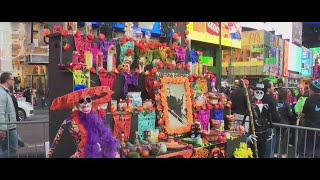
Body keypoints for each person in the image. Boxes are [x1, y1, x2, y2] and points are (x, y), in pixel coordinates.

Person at [261, 79, 282, 158]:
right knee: (268, 151)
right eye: (272, 86)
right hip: (269, 128)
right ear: (268, 88)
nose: (274, 88)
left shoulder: (256, 98)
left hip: (258, 128)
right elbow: (276, 115)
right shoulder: (271, 100)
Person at [0, 72, 19, 158]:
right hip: (8, 127)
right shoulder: (2, 93)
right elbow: (1, 111)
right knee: (12, 150)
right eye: (12, 79)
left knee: (6, 149)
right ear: (7, 80)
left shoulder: (4, 92)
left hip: (9, 126)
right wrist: (2, 128)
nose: (14, 81)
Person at [301, 79, 320, 157]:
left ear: (313, 89)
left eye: (309, 88)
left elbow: (303, 114)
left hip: (310, 128)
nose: (308, 90)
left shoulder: (309, 99)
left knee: (308, 148)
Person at [274, 89, 292, 158]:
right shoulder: (287, 104)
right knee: (284, 139)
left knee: (277, 138)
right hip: (285, 124)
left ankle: (275, 153)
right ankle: (284, 153)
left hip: (277, 123)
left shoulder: (275, 102)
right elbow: (290, 114)